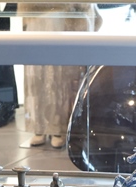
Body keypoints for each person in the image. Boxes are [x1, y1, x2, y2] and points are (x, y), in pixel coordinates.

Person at [19, 3, 100, 148]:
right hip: (38, 18)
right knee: (38, 72)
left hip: (64, 18)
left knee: (60, 74)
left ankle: (59, 127)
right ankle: (39, 126)